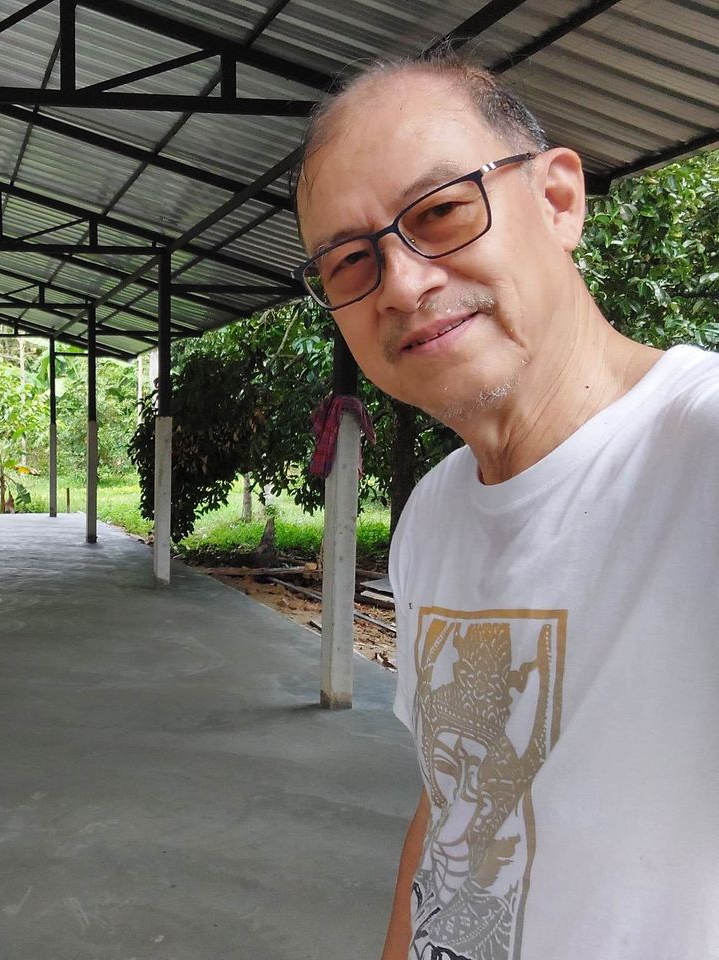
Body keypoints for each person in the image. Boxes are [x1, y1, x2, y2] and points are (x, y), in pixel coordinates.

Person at [293, 54, 719, 959]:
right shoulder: (436, 514)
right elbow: (449, 804)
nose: (402, 284)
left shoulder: (699, 452)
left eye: (441, 211)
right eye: (351, 262)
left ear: (558, 200)